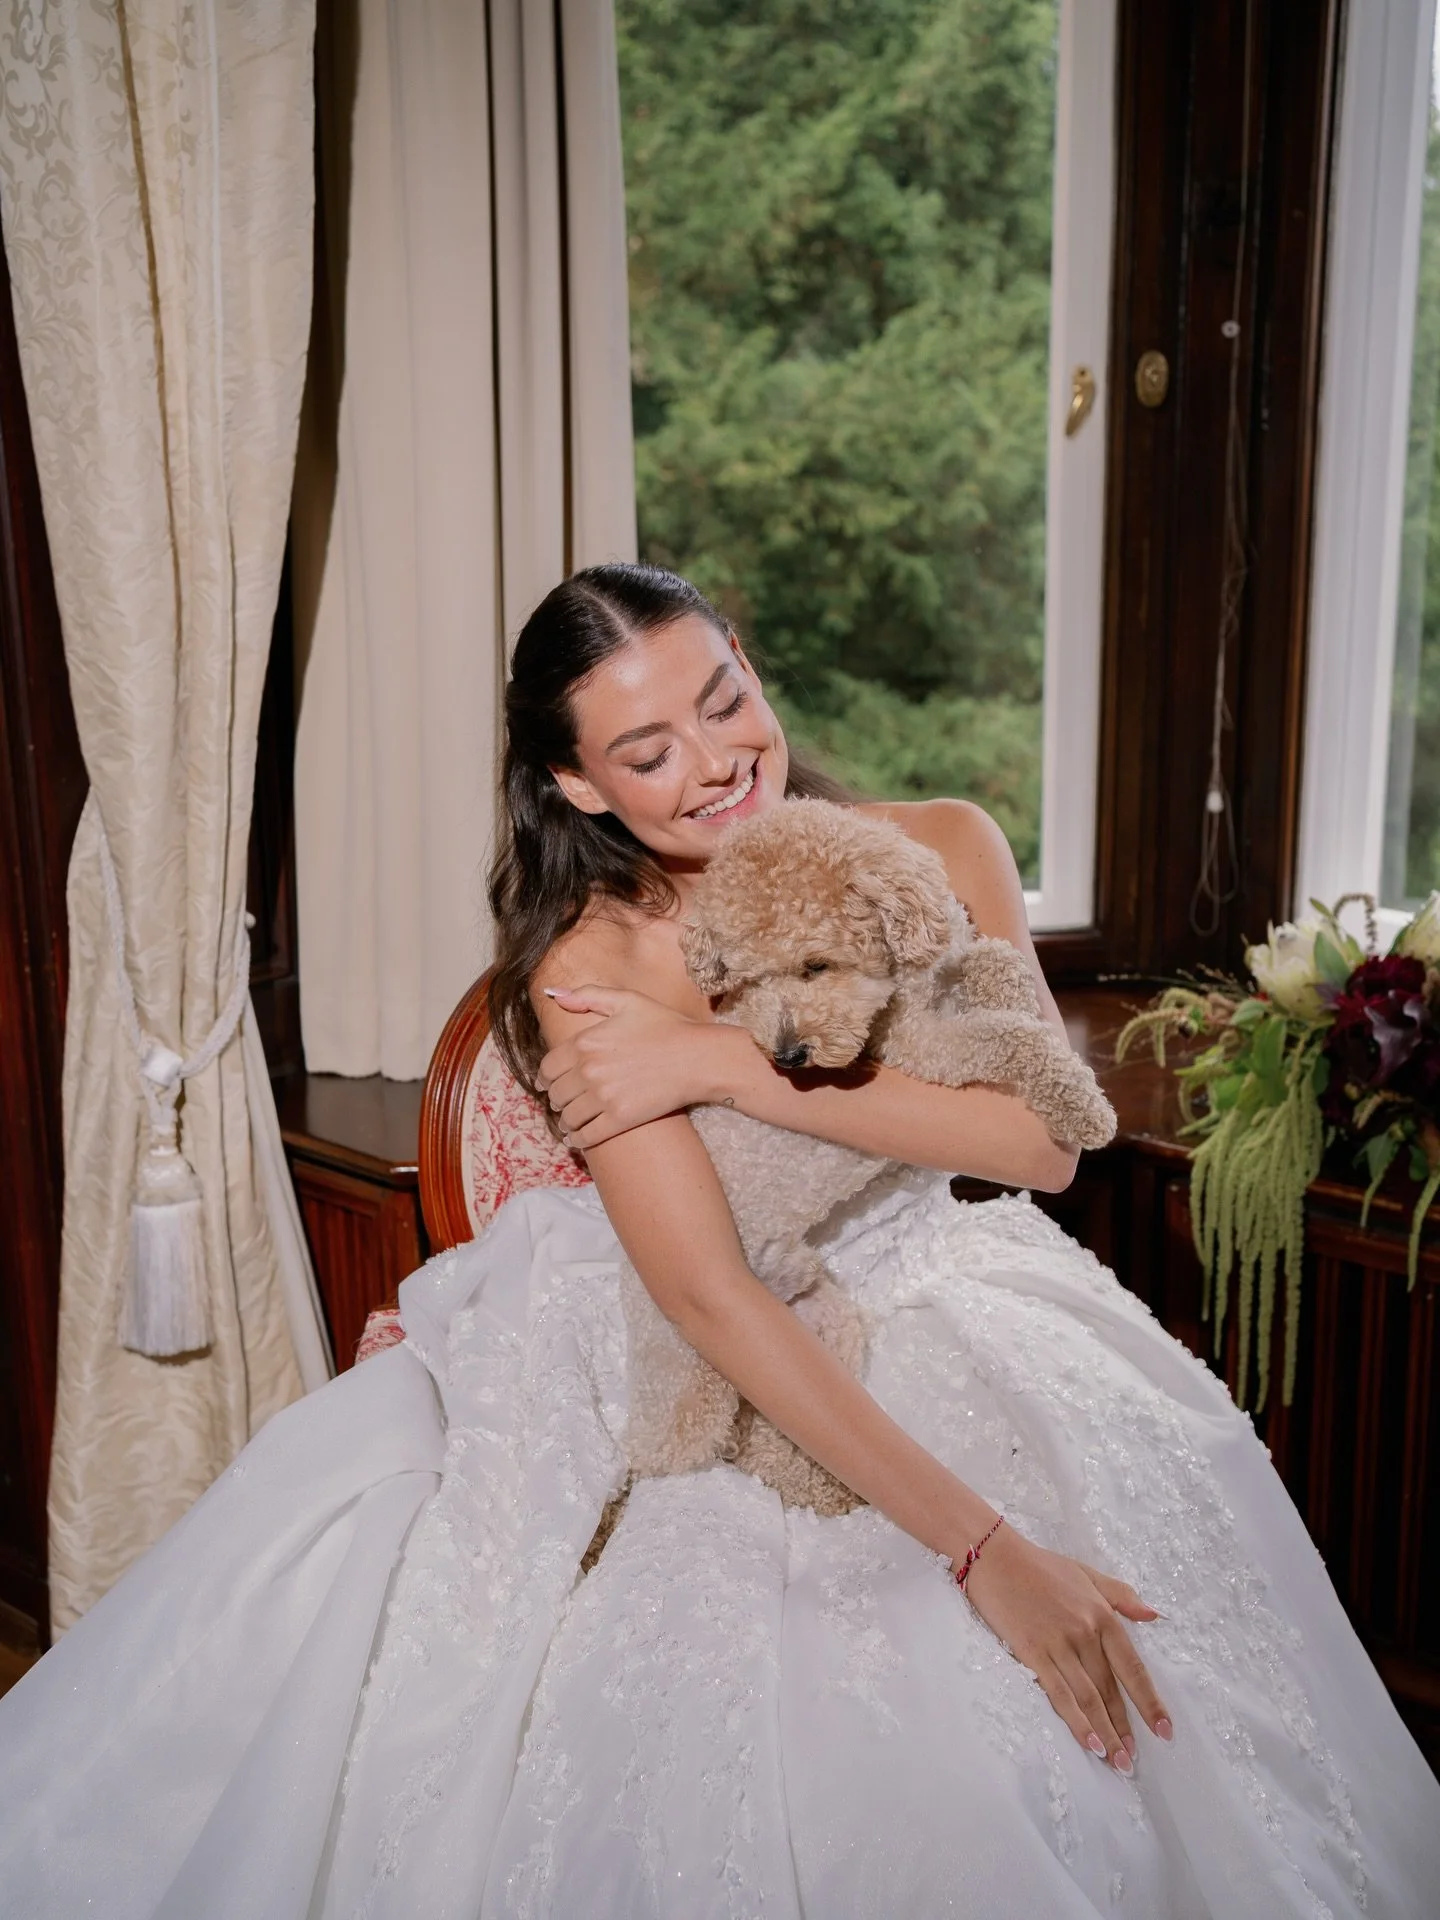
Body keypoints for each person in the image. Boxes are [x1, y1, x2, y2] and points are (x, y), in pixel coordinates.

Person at [1, 563, 1437, 1918]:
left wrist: (728, 1068)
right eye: (646, 752)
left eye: (720, 700)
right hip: (721, 1331)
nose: (715, 761)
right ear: (576, 783)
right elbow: (709, 1295)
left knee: (1163, 1644)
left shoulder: (938, 844)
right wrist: (982, 1549)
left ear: (749, 666)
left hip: (953, 1277)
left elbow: (1041, 1145)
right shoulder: (593, 961)